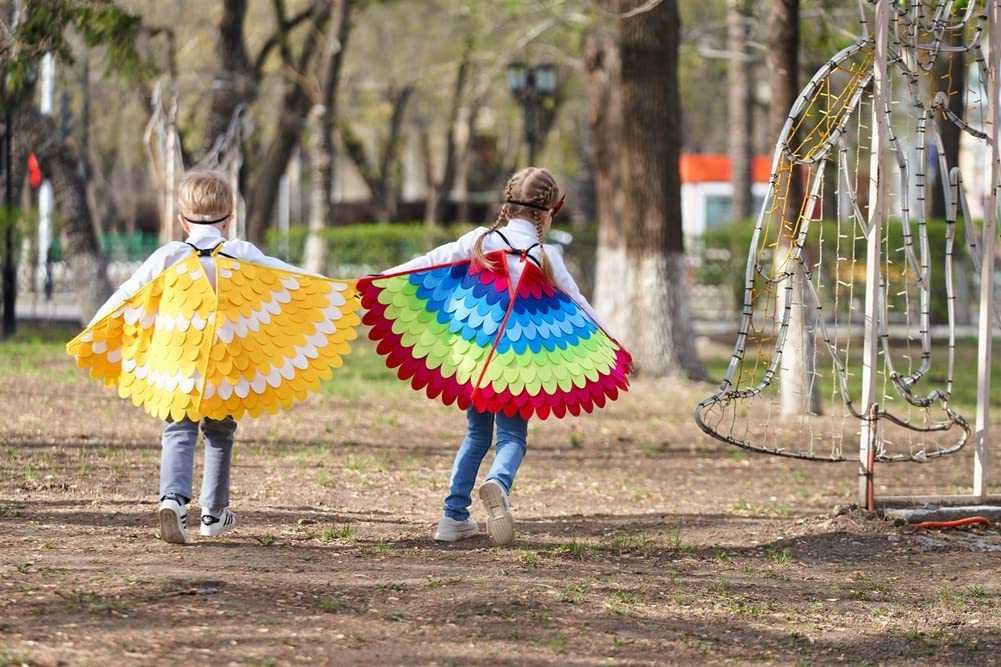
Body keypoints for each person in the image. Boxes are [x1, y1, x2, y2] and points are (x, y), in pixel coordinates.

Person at [68, 170, 360, 544]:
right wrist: (341, 289)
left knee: (178, 429)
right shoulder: (242, 253)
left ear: (181, 220)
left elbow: (127, 292)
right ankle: (213, 513)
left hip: (179, 366)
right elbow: (290, 277)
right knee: (220, 433)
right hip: (225, 363)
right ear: (229, 218)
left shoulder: (169, 255)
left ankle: (172, 501)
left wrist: (91, 327)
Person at [358, 167, 631, 546]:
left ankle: (452, 517)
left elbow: (430, 261)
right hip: (516, 365)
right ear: (548, 211)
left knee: (476, 435)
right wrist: (615, 343)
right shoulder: (545, 255)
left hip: (477, 356)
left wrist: (379, 278)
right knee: (513, 436)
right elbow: (579, 304)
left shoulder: (480, 240)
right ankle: (498, 482)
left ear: (507, 203)